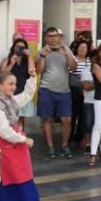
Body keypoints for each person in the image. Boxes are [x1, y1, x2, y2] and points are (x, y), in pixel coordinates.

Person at [0, 72, 48, 201]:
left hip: (16, 147)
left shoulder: (11, 100)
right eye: (10, 84)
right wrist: (24, 139)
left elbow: (28, 94)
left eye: (14, 84)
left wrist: (33, 76)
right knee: (12, 182)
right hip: (5, 149)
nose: (13, 87)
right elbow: (5, 132)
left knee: (24, 179)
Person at [36, 28, 77, 159]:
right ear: (46, 38)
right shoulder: (42, 51)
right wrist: (43, 56)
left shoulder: (66, 49)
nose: (53, 38)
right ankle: (50, 147)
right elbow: (38, 71)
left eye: (55, 36)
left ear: (60, 37)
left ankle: (64, 145)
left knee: (67, 120)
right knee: (47, 119)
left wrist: (67, 56)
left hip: (64, 91)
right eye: (50, 36)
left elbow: (73, 68)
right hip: (46, 89)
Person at [2, 38, 37, 130]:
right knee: (9, 118)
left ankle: (19, 138)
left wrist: (29, 56)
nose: (20, 49)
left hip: (23, 92)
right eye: (18, 47)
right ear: (13, 47)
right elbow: (2, 75)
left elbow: (32, 72)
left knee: (21, 118)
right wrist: (12, 63)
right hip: (10, 93)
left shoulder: (28, 60)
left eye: (22, 47)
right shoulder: (8, 59)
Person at [69, 40, 92, 152]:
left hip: (86, 91)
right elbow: (69, 72)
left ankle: (79, 137)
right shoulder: (73, 59)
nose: (83, 49)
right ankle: (69, 137)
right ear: (77, 48)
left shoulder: (90, 61)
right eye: (81, 47)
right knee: (72, 115)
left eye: (85, 48)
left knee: (84, 116)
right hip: (74, 90)